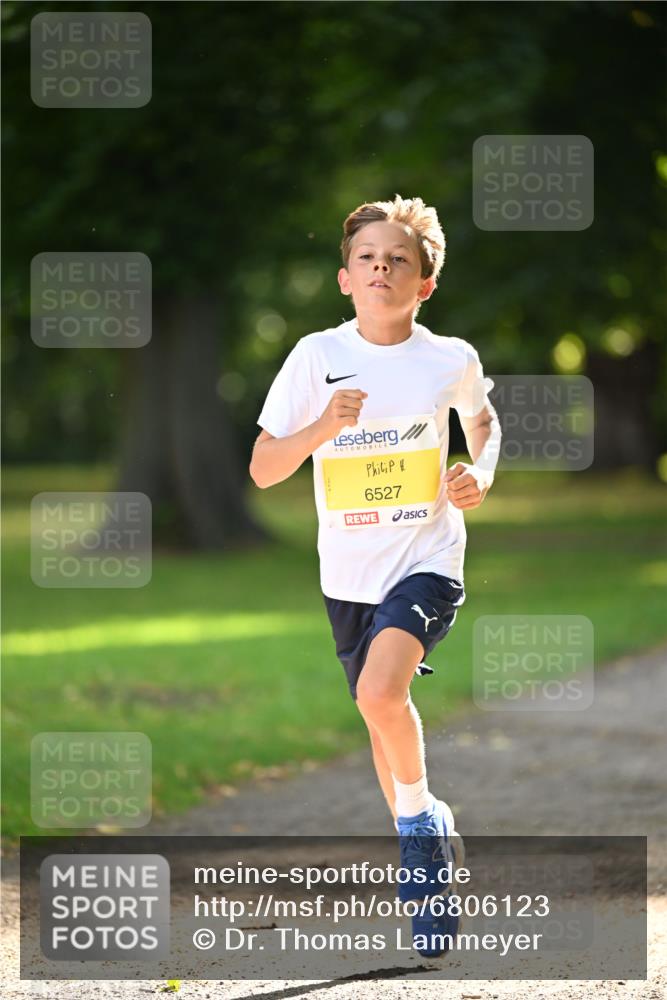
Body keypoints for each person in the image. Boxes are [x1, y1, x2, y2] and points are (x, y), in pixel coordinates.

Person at [249, 194, 501, 956]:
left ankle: (420, 847)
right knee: (379, 717)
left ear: (424, 283)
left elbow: (481, 421)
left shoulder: (448, 358)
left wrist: (479, 472)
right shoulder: (315, 357)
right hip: (347, 576)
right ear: (344, 278)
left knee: (379, 692)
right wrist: (324, 425)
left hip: (426, 560)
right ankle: (428, 824)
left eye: (397, 260)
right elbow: (262, 469)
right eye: (367, 258)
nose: (380, 268)